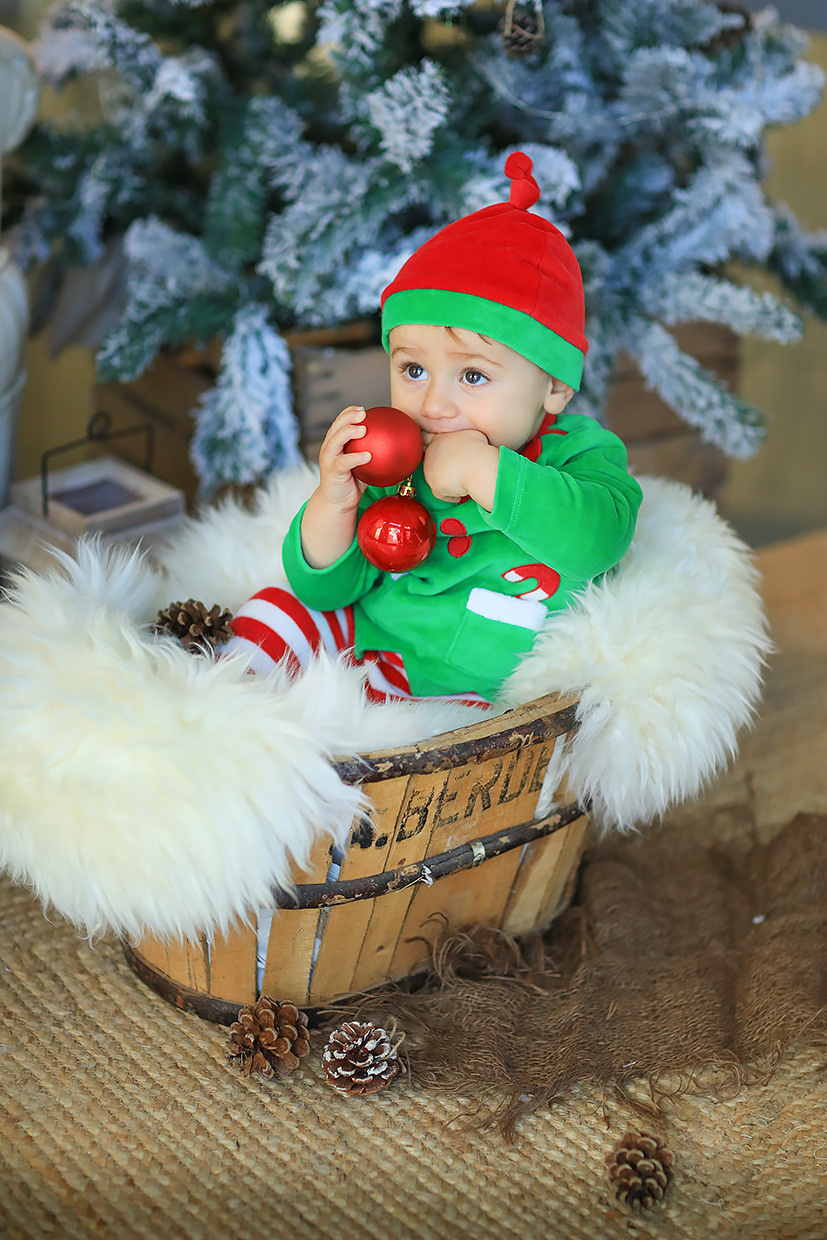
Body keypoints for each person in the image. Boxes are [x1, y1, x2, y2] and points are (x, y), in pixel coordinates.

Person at [225, 152, 643, 706]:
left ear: (555, 388)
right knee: (276, 609)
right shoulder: (396, 454)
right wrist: (335, 501)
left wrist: (483, 469)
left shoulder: (578, 453)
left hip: (471, 688)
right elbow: (325, 591)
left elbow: (598, 541)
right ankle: (216, 722)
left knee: (467, 738)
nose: (433, 402)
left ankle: (369, 752)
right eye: (413, 369)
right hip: (367, 640)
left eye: (472, 374)